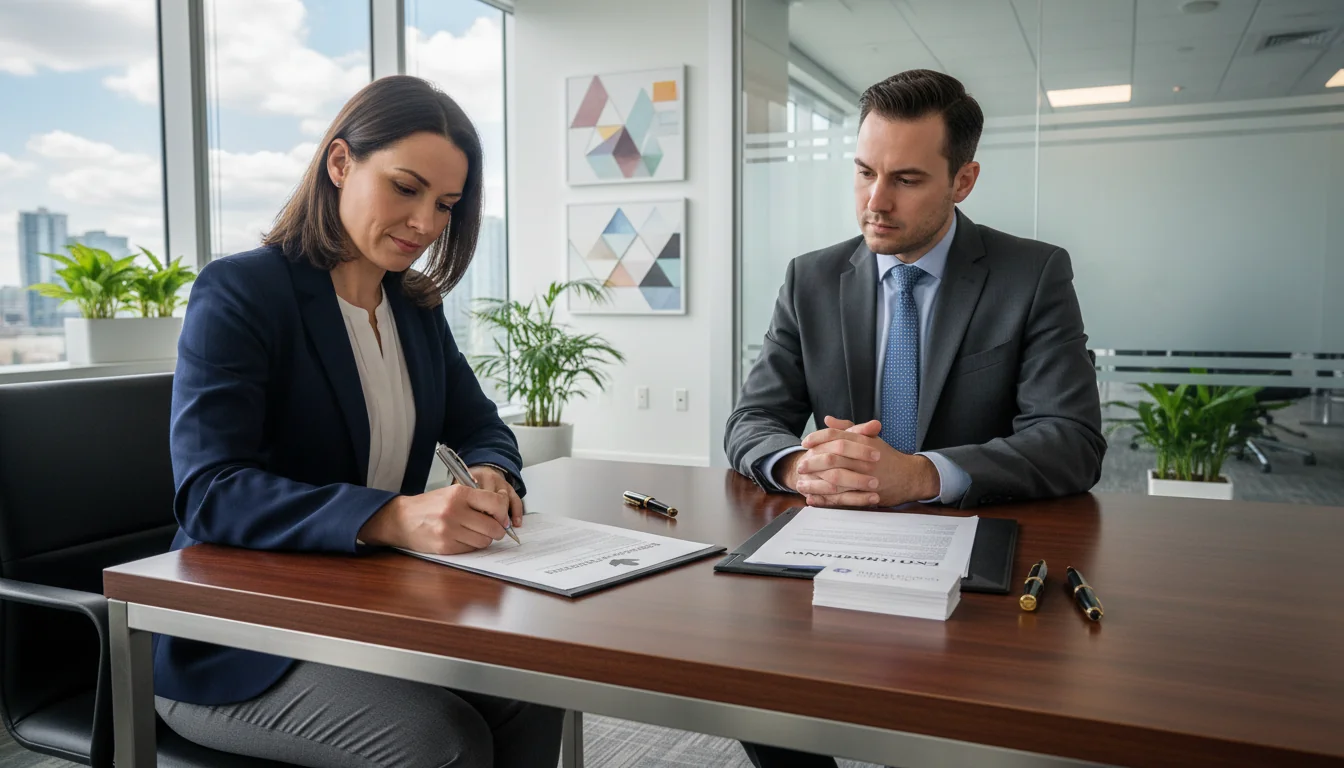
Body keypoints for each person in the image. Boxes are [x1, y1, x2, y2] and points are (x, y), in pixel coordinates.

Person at [156, 75, 563, 768]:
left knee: (536, 684)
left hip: (366, 607)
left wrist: (491, 469)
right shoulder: (243, 291)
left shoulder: (415, 308)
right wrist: (391, 517)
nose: (426, 223)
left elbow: (481, 425)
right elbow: (210, 490)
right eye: (406, 188)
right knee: (444, 743)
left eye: (446, 205)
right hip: (236, 637)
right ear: (340, 163)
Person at [726, 69, 1106, 768]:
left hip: (975, 568)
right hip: (836, 550)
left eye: (905, 179)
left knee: (952, 726)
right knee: (753, 688)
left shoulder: (1031, 275)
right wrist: (801, 463)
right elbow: (752, 419)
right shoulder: (811, 279)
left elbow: (1072, 440)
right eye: (864, 173)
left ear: (963, 181)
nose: (875, 202)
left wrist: (924, 474)